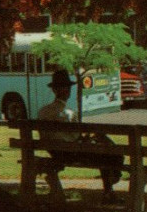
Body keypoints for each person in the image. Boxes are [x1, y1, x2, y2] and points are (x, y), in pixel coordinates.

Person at [37, 69, 122, 202]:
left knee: (104, 150)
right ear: (68, 91)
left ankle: (111, 183)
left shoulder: (42, 112)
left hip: (55, 152)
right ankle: (110, 187)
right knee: (107, 151)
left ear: (54, 90)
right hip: (72, 154)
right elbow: (76, 137)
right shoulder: (69, 113)